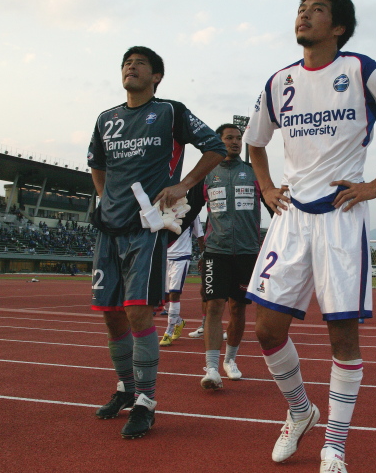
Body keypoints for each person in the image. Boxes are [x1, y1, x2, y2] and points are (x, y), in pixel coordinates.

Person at [243, 0, 376, 473]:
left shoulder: (361, 70)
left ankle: (335, 446)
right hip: (290, 218)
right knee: (265, 330)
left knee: (343, 336)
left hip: (342, 218)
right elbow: (255, 143)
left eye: (317, 9)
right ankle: (300, 411)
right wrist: (267, 187)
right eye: (301, 8)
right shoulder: (278, 82)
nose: (304, 15)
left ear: (339, 27)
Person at [87, 46, 226, 439]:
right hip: (108, 228)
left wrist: (185, 184)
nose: (131, 67)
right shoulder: (106, 119)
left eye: (140, 63)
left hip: (145, 230)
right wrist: (105, 198)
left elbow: (215, 147)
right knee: (111, 313)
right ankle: (125, 388)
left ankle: (146, 402)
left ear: (157, 76)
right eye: (126, 63)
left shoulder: (170, 112)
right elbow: (97, 164)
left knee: (138, 313)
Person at [198, 123, 264, 389]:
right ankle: (212, 368)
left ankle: (230, 360)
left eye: (238, 138)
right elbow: (189, 209)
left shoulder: (254, 172)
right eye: (229, 138)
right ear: (218, 141)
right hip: (216, 251)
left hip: (248, 252)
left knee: (238, 308)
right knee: (214, 306)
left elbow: (274, 204)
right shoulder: (206, 174)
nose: (235, 142)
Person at [159, 196, 205, 347]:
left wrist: (203, 256)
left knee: (174, 294)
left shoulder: (191, 213)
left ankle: (169, 331)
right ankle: (178, 322)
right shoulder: (163, 210)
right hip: (164, 257)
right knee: (164, 297)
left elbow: (200, 236)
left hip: (181, 256)